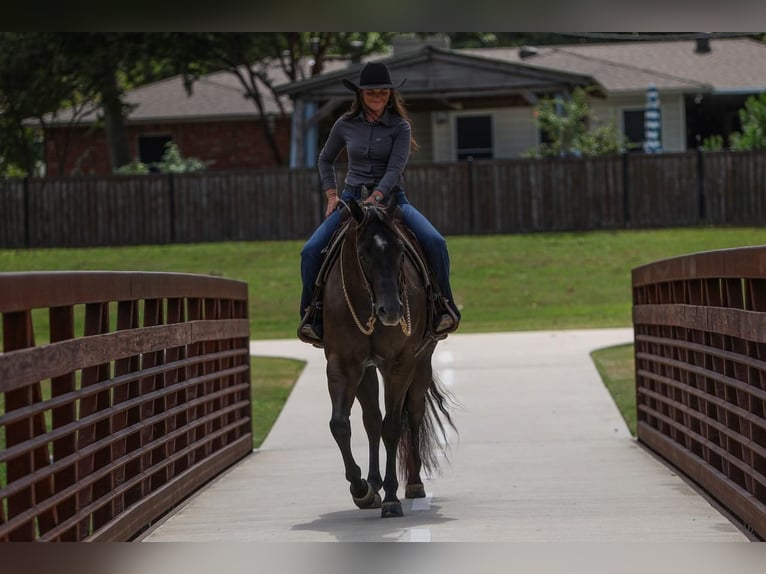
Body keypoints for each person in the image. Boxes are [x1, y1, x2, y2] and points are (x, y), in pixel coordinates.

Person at [299, 61, 460, 344]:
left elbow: (395, 168)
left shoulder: (400, 126)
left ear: (390, 95)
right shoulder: (344, 125)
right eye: (371, 92)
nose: (377, 97)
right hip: (351, 201)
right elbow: (325, 159)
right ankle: (312, 315)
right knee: (310, 251)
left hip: (393, 201)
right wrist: (332, 195)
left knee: (436, 242)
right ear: (360, 94)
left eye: (383, 93)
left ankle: (442, 306)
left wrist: (377, 197)